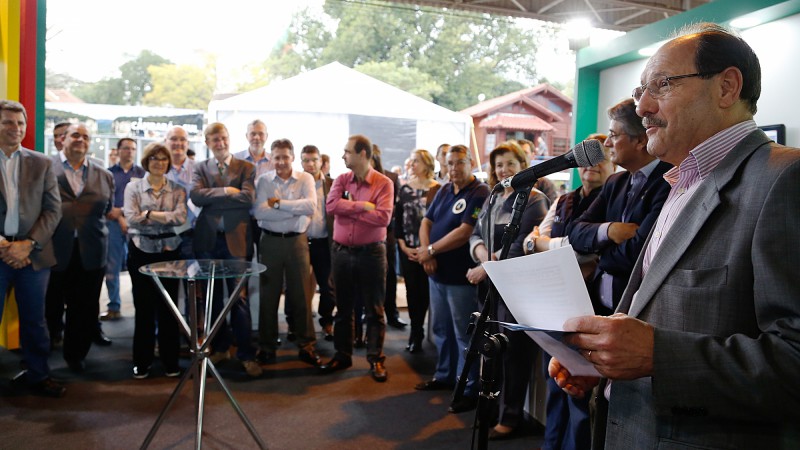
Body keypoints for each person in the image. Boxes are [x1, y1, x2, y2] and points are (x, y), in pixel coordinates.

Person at [550, 23, 800, 449]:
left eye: (661, 85)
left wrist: (657, 357)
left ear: (726, 87)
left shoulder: (784, 178)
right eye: (639, 91)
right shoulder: (683, 182)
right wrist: (605, 361)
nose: (642, 107)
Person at [523, 133, 615, 450]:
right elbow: (530, 243)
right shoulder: (565, 200)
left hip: (591, 308)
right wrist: (547, 245)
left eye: (602, 157)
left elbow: (587, 251)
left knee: (579, 394)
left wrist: (546, 244)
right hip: (556, 306)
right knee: (555, 384)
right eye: (588, 158)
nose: (593, 165)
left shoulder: (613, 199)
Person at [465, 141, 550, 439]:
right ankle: (490, 411)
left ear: (523, 164)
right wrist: (483, 259)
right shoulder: (494, 197)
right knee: (490, 352)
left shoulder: (535, 199)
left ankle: (510, 418)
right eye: (499, 165)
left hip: (517, 289)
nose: (504, 169)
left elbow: (520, 245)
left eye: (510, 163)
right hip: (489, 286)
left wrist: (486, 265)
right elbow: (476, 234)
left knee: (514, 355)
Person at [566, 98, 672, 315]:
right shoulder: (615, 182)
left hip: (636, 313)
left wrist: (599, 256)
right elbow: (574, 231)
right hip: (598, 305)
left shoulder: (669, 181)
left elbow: (639, 255)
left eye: (614, 135)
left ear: (640, 140)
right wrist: (609, 230)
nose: (606, 143)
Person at [415, 144, 490, 414]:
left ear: (470, 162)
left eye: (459, 163)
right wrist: (427, 254)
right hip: (437, 273)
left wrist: (431, 250)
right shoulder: (445, 189)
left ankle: (467, 388)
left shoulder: (480, 192)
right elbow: (427, 222)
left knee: (463, 335)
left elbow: (465, 231)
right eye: (449, 164)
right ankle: (444, 375)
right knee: (441, 330)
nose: (453, 169)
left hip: (461, 277)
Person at [0, 100, 65, 398]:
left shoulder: (42, 162)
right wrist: (3, 245)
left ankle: (39, 374)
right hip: (0, 252)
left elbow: (53, 210)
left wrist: (28, 244)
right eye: (8, 122)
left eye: (20, 123)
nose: (16, 128)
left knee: (35, 320)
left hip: (34, 254)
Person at [319, 134, 394, 382]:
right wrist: (362, 206)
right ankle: (343, 355)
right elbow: (331, 208)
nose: (343, 155)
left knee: (375, 309)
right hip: (341, 252)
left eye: (347, 151)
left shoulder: (384, 183)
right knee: (343, 309)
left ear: (363, 154)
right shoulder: (341, 180)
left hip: (372, 253)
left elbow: (383, 218)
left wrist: (347, 208)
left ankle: (375, 359)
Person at [190, 122, 262, 378]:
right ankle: (220, 348)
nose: (220, 143)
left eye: (223, 138)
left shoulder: (247, 167)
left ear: (229, 139)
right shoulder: (200, 167)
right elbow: (196, 197)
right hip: (208, 241)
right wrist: (227, 191)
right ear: (207, 142)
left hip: (236, 241)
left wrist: (214, 196)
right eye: (214, 140)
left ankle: (246, 354)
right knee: (212, 299)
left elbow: (247, 198)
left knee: (238, 299)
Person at [47, 123, 114, 373]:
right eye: (76, 135)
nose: (80, 140)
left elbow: (107, 209)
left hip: (91, 250)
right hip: (53, 248)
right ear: (63, 139)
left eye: (86, 137)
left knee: (84, 307)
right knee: (49, 305)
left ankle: (75, 355)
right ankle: (42, 354)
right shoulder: (45, 167)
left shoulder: (102, 173)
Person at [253, 138, 321, 366]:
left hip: (297, 242)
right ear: (271, 158)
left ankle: (306, 344)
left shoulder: (306, 178)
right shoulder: (263, 180)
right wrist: (293, 209)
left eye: (285, 157)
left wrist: (278, 204)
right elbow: (260, 213)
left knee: (302, 295)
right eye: (277, 157)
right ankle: (266, 346)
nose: (281, 162)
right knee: (268, 296)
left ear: (293, 158)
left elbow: (311, 206)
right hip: (270, 242)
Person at [124, 143, 186, 379]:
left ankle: (171, 361)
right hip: (141, 250)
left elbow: (180, 218)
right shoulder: (133, 187)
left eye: (163, 159)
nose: (159, 162)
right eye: (154, 158)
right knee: (144, 308)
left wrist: (148, 214)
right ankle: (142, 361)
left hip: (170, 252)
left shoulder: (178, 189)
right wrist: (162, 218)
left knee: (169, 309)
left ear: (169, 162)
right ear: (146, 161)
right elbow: (131, 218)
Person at [395, 149, 439, 353]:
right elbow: (397, 220)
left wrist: (430, 249)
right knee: (412, 291)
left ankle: (431, 331)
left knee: (429, 292)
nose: (412, 165)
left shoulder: (438, 189)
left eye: (417, 161)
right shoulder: (404, 189)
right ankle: (415, 331)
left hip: (431, 250)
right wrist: (402, 245)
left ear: (427, 164)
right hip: (410, 249)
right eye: (411, 161)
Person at [101, 138, 145, 321]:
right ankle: (114, 306)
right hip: (112, 224)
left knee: (139, 268)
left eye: (133, 148)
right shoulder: (108, 173)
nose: (129, 151)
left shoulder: (143, 174)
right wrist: (119, 217)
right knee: (112, 267)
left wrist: (124, 214)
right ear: (118, 150)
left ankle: (141, 308)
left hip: (138, 223)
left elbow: (145, 200)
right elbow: (105, 201)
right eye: (126, 148)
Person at [300, 144, 335, 341]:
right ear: (301, 163)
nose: (311, 164)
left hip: (324, 241)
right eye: (306, 160)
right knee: (297, 287)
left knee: (328, 286)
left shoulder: (333, 184)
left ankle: (327, 322)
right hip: (300, 241)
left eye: (314, 159)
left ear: (321, 161)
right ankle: (297, 325)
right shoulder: (296, 184)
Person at [371, 144, 406, 330]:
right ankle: (366, 313)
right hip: (366, 234)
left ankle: (391, 313)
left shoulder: (390, 177)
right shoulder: (356, 178)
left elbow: (397, 209)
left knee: (390, 274)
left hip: (388, 232)